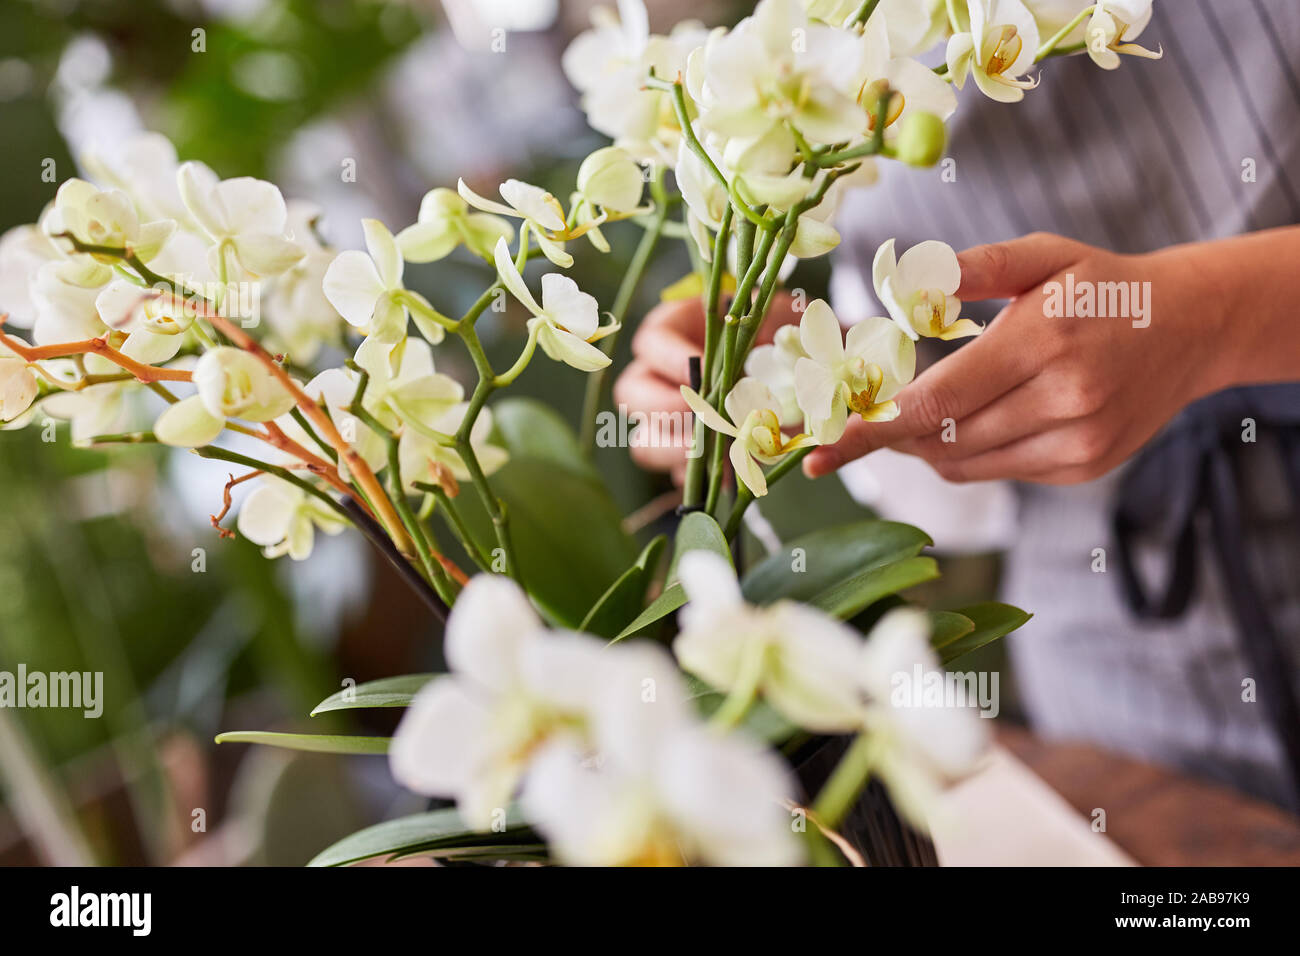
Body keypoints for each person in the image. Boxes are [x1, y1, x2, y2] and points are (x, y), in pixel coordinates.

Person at [614, 0, 1300, 812]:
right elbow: (931, 382)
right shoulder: (809, 54)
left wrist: (1212, 316)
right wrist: (784, 359)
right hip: (1125, 688)